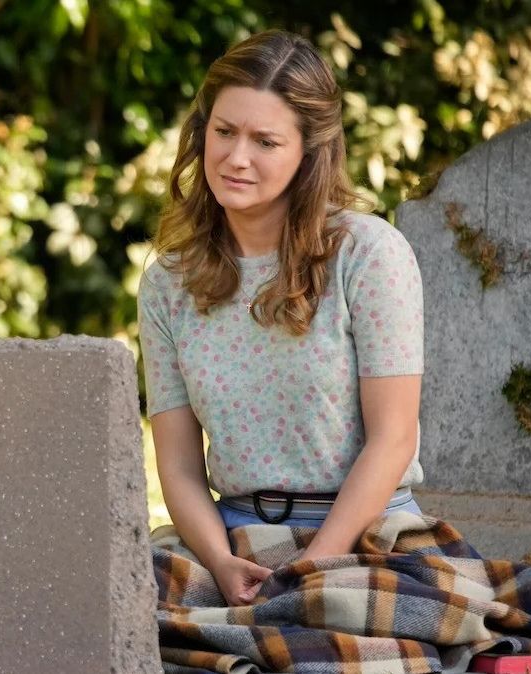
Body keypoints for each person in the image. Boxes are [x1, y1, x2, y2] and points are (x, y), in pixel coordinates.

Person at [137, 29, 426, 608]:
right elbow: (178, 466)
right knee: (124, 610)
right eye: (223, 132)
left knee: (335, 643)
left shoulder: (369, 254)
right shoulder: (167, 282)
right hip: (231, 539)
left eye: (265, 141)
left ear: (308, 152)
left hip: (364, 536)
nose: (235, 158)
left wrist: (312, 567)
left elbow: (393, 440)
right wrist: (219, 562)